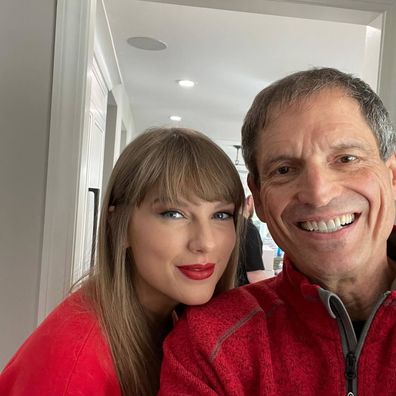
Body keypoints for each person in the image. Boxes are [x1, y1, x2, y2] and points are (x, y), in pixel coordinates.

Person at [158, 68, 396, 395]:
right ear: (258, 198)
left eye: (346, 158)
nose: (318, 193)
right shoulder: (209, 343)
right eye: (284, 170)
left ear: (392, 176)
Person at [0, 127, 245, 396]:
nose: (205, 242)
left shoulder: (170, 320)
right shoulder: (75, 366)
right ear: (119, 224)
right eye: (174, 214)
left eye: (221, 215)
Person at [237, 195, 266, 286]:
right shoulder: (248, 229)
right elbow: (255, 276)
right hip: (240, 292)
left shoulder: (226, 226)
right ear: (250, 200)